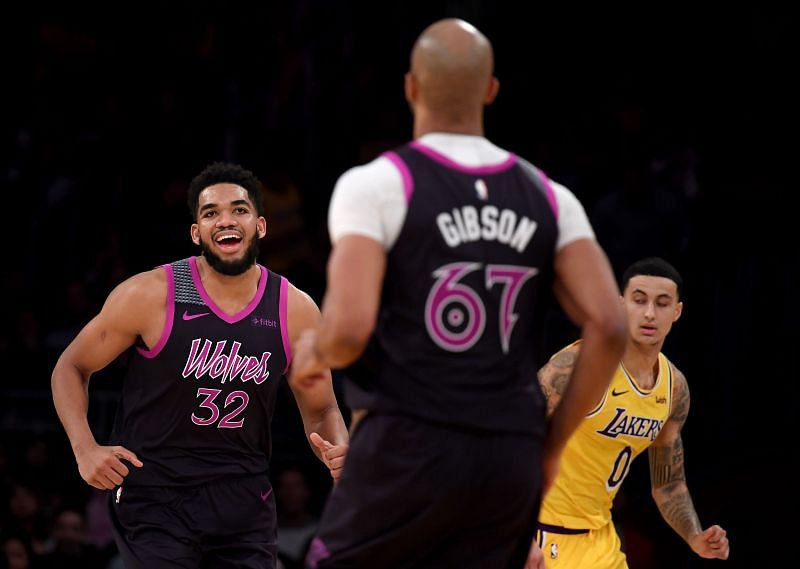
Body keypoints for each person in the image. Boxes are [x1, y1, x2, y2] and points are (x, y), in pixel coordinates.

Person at [289, 18, 627, 568]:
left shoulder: (377, 184)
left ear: (411, 87)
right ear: (491, 91)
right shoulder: (551, 196)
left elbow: (348, 331)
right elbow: (611, 326)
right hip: (508, 453)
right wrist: (551, 444)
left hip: (409, 445)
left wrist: (315, 351)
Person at [50, 161, 349, 569]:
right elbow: (70, 367)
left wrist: (340, 449)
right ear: (197, 233)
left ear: (260, 226)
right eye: (211, 213)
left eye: (239, 209)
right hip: (155, 494)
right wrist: (84, 448)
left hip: (243, 497)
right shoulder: (149, 294)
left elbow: (322, 409)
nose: (226, 220)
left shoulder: (294, 309)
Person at [526, 257, 730, 568]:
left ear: (677, 311)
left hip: (601, 539)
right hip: (543, 536)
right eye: (639, 300)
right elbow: (508, 439)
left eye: (662, 303)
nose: (649, 313)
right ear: (621, 304)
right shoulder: (576, 367)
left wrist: (693, 535)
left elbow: (668, 483)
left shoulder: (673, 388)